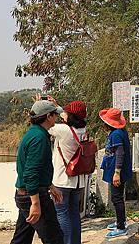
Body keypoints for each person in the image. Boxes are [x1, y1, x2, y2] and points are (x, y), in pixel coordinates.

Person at [10, 99, 64, 244]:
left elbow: (34, 168)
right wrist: (35, 203)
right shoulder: (39, 138)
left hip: (26, 193)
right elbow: (31, 172)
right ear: (48, 116)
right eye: (55, 115)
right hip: (33, 195)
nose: (56, 118)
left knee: (22, 238)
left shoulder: (34, 133)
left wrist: (50, 186)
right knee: (55, 238)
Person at [49, 100, 89, 244]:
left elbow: (45, 123)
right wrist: (57, 106)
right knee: (74, 214)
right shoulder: (84, 130)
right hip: (78, 181)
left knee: (61, 213)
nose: (62, 114)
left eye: (65, 112)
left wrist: (45, 108)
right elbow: (67, 115)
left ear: (70, 116)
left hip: (62, 180)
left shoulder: (62, 130)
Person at [99, 108, 132, 238]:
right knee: (117, 197)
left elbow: (120, 153)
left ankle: (121, 227)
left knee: (117, 198)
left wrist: (117, 172)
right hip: (115, 170)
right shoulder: (119, 132)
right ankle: (120, 220)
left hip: (117, 171)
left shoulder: (116, 135)